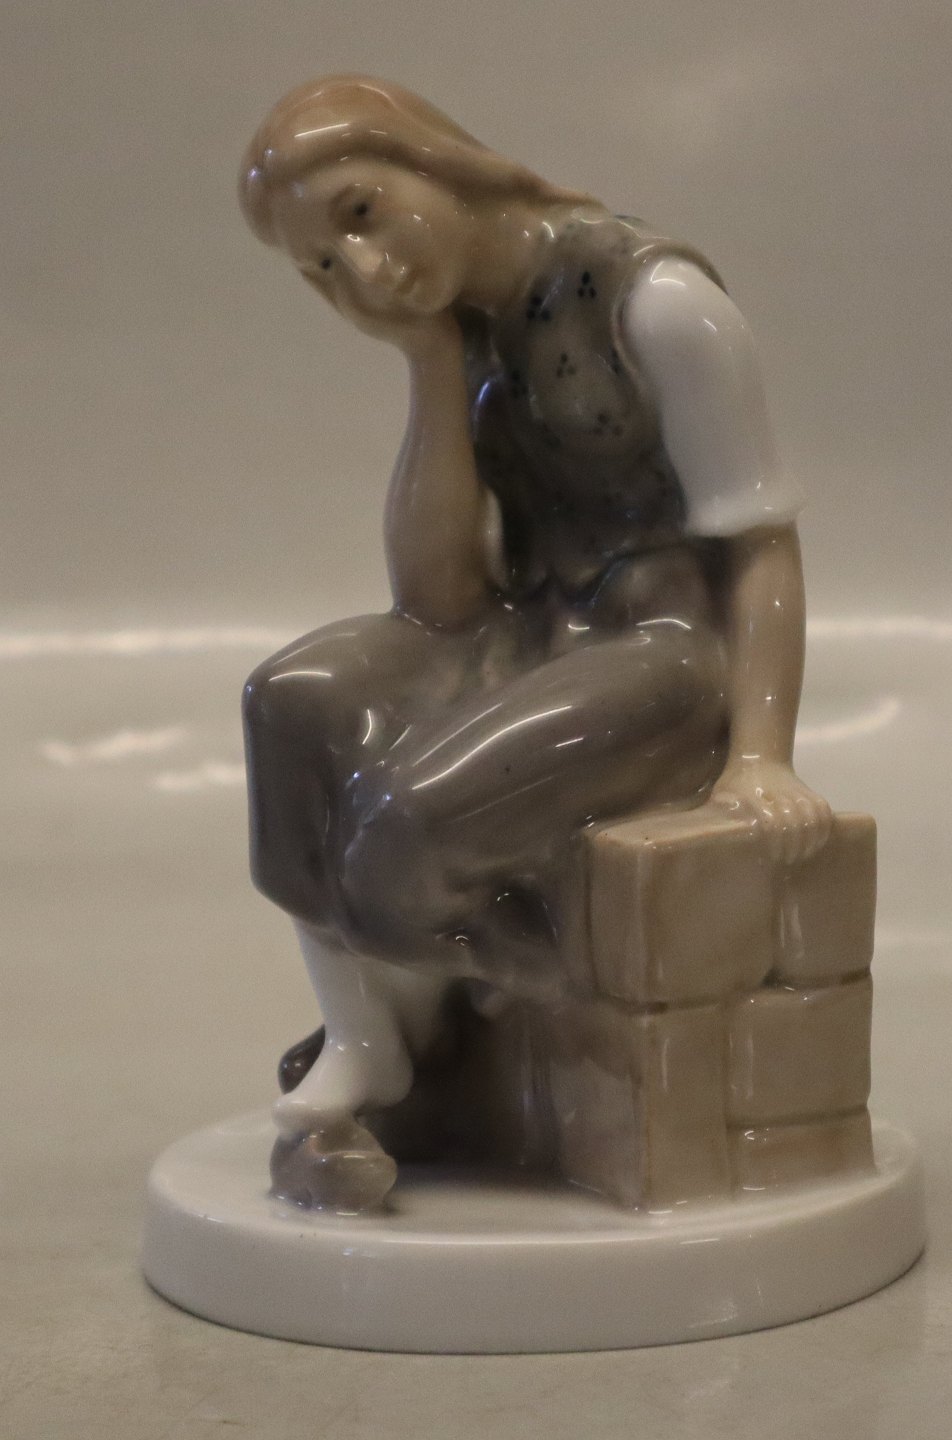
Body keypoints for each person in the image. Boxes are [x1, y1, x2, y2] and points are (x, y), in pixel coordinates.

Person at [239, 75, 832, 1155]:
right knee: (290, 701)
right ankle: (368, 1033)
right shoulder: (461, 327)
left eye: (362, 213)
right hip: (529, 628)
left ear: (436, 162)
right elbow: (437, 600)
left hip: (661, 648)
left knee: (397, 825)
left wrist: (760, 756)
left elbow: (760, 542)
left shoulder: (655, 303)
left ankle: (501, 990)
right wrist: (428, 361)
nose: (363, 271)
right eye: (322, 267)